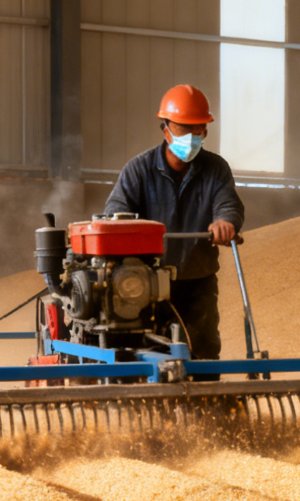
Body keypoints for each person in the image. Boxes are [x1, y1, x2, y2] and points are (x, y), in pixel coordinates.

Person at [103, 84, 244, 360]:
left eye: (199, 129)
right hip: (144, 284)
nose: (192, 137)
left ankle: (207, 400)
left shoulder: (216, 169)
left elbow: (227, 204)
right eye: (184, 129)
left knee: (202, 350)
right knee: (138, 351)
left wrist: (225, 222)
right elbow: (115, 213)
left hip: (197, 281)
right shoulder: (138, 170)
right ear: (165, 128)